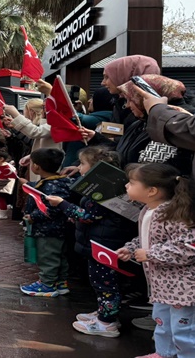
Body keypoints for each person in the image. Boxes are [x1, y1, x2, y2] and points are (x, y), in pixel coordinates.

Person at [46, 147, 135, 337]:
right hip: (102, 242)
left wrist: (62, 204)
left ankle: (107, 322)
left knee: (105, 284)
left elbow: (89, 215)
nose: (79, 167)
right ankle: (106, 312)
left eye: (83, 163)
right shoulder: (106, 186)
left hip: (104, 245)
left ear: (96, 168)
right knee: (103, 282)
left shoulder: (104, 190)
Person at [117, 163, 195, 358]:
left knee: (183, 330)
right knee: (161, 321)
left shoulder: (174, 214)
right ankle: (164, 353)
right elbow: (147, 238)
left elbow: (189, 246)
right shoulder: (148, 210)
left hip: (183, 288)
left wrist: (150, 254)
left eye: (132, 182)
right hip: (161, 285)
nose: (127, 186)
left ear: (152, 190)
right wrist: (132, 248)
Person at [19, 148, 74, 296]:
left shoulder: (50, 185)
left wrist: (33, 217)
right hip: (61, 229)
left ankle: (47, 284)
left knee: (48, 257)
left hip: (48, 230)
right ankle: (61, 283)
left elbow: (51, 209)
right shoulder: (61, 182)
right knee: (60, 256)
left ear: (36, 166)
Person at [101, 55, 161, 128]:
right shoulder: (120, 101)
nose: (103, 83)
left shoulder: (156, 111)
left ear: (123, 75)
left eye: (107, 77)